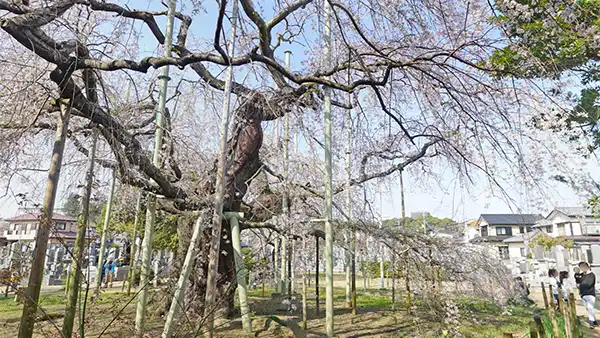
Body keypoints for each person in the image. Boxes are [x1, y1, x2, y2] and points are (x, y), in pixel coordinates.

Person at [577, 262, 598, 327]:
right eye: (581, 267)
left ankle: (591, 322)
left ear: (587, 267)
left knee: (590, 308)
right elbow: (578, 283)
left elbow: (589, 284)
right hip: (583, 295)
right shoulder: (581, 275)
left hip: (590, 294)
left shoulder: (591, 275)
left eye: (583, 266)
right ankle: (594, 321)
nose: (582, 268)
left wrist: (580, 285)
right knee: (587, 308)